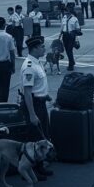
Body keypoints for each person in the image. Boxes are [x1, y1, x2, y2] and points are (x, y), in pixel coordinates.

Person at [21, 36, 54, 178]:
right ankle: (29, 171)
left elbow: (36, 87)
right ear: (34, 48)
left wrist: (45, 95)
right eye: (42, 47)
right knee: (34, 139)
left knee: (42, 137)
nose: (44, 49)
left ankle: (39, 167)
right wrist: (32, 114)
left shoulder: (37, 62)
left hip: (40, 103)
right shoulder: (29, 66)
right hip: (33, 105)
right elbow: (27, 93)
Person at [60, 6, 81, 71]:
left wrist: (76, 38)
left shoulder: (74, 19)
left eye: (66, 11)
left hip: (71, 35)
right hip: (65, 35)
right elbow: (62, 27)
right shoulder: (63, 18)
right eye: (64, 11)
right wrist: (60, 34)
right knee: (67, 50)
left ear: (69, 11)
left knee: (69, 50)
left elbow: (77, 29)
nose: (65, 13)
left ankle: (71, 65)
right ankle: (72, 62)